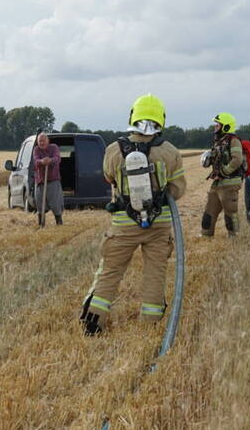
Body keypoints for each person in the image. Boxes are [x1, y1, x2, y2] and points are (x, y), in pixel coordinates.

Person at [79, 94, 186, 335]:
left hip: (122, 225)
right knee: (155, 273)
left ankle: (93, 322)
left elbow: (108, 178)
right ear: (161, 120)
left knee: (110, 272)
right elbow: (178, 190)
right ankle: (150, 325)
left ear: (133, 117)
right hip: (159, 225)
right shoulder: (169, 152)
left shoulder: (113, 150)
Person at [199, 112, 244, 237]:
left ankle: (234, 237)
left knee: (230, 212)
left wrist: (223, 172)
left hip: (230, 183)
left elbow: (237, 160)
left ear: (226, 126)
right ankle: (206, 235)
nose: (215, 127)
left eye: (218, 125)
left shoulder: (234, 141)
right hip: (218, 182)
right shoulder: (218, 141)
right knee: (209, 211)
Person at [32, 132, 64, 226]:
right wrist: (42, 161)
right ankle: (41, 224)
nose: (41, 143)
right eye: (40, 141)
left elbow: (57, 159)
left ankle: (59, 222)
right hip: (40, 181)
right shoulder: (36, 149)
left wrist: (50, 160)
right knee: (40, 203)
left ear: (48, 141)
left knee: (55, 203)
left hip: (53, 180)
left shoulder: (54, 147)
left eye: (43, 141)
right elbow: (36, 161)